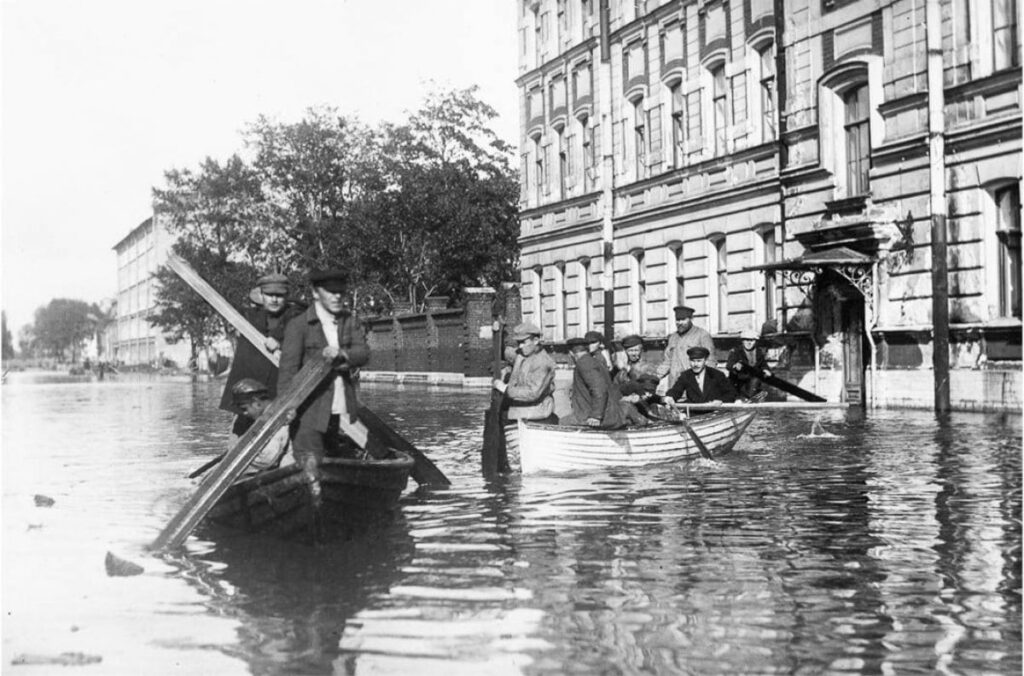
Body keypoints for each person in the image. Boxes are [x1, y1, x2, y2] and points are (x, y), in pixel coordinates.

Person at [278, 269, 370, 467]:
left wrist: (342, 354)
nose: (337, 296)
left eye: (341, 292)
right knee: (310, 461)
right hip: (308, 410)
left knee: (330, 461)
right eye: (331, 292)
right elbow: (288, 371)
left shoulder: (349, 321)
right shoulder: (299, 325)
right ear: (315, 293)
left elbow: (363, 353)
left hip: (338, 407)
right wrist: (286, 406)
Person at [219, 272, 306, 436]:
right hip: (247, 398)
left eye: (279, 296)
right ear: (261, 295)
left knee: (279, 439)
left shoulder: (296, 315)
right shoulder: (251, 317)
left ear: (286, 296)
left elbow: (296, 320)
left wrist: (278, 338)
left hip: (276, 397)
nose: (274, 299)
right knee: (238, 437)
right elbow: (220, 301)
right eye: (269, 295)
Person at [492, 321, 557, 424]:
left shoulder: (543, 363)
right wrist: (498, 333)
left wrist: (504, 388)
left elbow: (532, 393)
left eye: (523, 342)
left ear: (535, 340)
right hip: (517, 413)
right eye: (518, 343)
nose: (520, 346)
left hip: (537, 416)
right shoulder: (522, 353)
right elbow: (506, 353)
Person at [228, 378, 295, 476]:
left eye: (244, 408)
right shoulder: (266, 416)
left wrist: (238, 452)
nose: (244, 413)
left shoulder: (278, 418)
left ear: (257, 403)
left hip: (289, 470)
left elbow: (266, 460)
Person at [562, 337, 626, 429]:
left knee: (562, 422)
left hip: (596, 417)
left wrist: (596, 416)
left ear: (571, 353)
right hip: (605, 414)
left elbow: (599, 389)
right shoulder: (594, 361)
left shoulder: (584, 363)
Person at [656, 305, 717, 388]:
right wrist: (654, 377)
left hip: (695, 386)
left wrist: (704, 383)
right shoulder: (673, 337)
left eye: (683, 319)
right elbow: (667, 362)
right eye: (677, 320)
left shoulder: (702, 335)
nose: (680, 323)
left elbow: (711, 362)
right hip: (675, 385)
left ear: (691, 319)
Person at [665, 346, 737, 407]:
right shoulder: (686, 375)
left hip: (714, 413)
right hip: (694, 413)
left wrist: (720, 401)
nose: (695, 364)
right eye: (692, 361)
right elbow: (676, 391)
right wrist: (670, 397)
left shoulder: (717, 375)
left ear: (705, 361)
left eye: (699, 361)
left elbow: (731, 393)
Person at [726, 328, 772, 398]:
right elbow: (729, 365)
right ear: (742, 341)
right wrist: (735, 366)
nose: (749, 343)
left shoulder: (758, 352)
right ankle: (748, 398)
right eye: (746, 340)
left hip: (753, 381)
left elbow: (763, 364)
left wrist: (766, 370)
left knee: (760, 380)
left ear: (756, 341)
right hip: (739, 381)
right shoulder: (736, 351)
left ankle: (752, 398)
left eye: (752, 340)